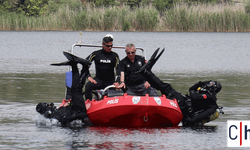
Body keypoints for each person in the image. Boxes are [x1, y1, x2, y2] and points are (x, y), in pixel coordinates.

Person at [134, 48, 222, 126]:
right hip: (182, 102)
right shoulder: (206, 93)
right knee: (165, 88)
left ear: (214, 88)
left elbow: (194, 97)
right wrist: (201, 83)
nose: (208, 84)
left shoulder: (211, 100)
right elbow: (191, 89)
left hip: (182, 107)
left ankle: (146, 72)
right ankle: (146, 73)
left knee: (165, 88)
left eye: (211, 84)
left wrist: (188, 122)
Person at [36, 51, 92, 125]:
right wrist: (78, 115)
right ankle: (74, 65)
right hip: (78, 111)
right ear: (46, 110)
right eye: (47, 105)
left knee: (78, 88)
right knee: (75, 89)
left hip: (75, 108)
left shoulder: (53, 114)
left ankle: (84, 66)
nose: (50, 104)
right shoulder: (55, 116)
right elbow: (64, 120)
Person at [85, 34, 120, 100]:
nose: (110, 48)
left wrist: (117, 81)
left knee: (123, 87)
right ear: (103, 44)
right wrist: (88, 76)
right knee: (88, 86)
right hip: (99, 80)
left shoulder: (115, 56)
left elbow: (118, 69)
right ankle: (88, 103)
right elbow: (85, 64)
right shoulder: (96, 54)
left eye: (111, 46)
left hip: (110, 81)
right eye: (108, 46)